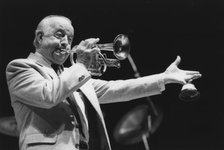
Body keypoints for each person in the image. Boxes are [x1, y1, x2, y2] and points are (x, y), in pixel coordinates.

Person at [5, 15, 201, 150]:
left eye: (70, 38)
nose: (66, 42)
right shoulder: (20, 68)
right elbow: (48, 95)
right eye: (60, 34)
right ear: (40, 37)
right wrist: (81, 65)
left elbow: (117, 88)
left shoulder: (72, 76)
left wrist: (164, 78)